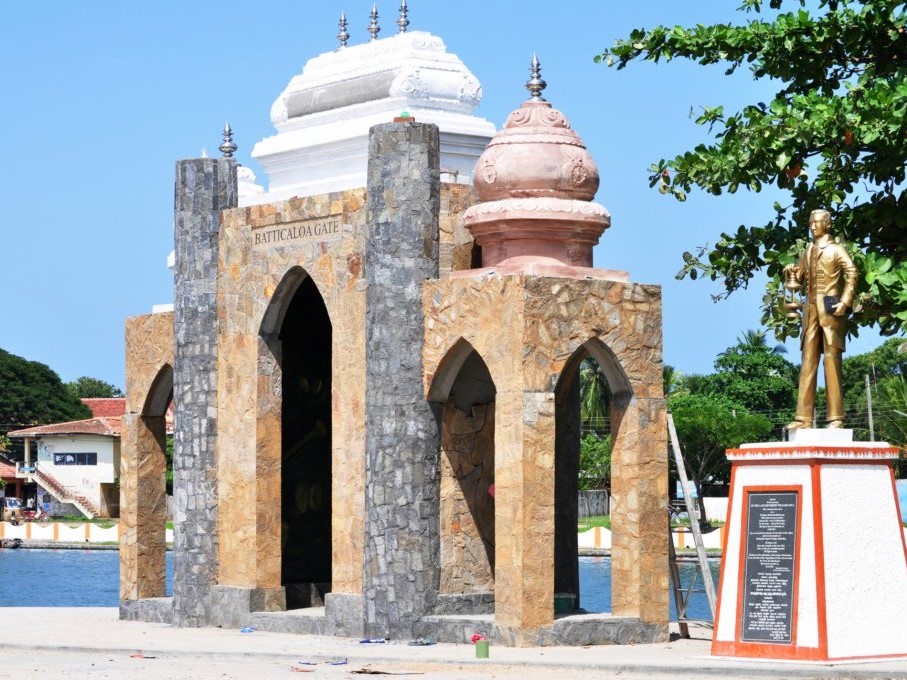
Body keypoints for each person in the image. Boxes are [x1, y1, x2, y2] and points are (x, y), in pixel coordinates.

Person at [785, 209, 857, 429]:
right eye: (810, 222)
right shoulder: (808, 249)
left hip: (830, 306)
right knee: (808, 360)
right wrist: (790, 271)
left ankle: (836, 418)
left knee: (831, 361)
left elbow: (852, 273)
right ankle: (803, 418)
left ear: (827, 224)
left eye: (816, 222)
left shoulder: (836, 249)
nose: (812, 226)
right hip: (810, 309)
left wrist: (844, 302)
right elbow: (799, 276)